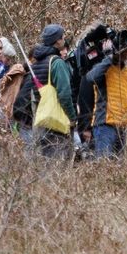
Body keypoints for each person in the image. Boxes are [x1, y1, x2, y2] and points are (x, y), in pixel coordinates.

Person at [26, 24, 76, 158]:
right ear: (57, 41)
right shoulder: (57, 63)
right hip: (57, 121)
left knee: (46, 166)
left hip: (42, 120)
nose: (64, 39)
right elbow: (65, 95)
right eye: (62, 36)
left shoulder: (36, 63)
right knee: (60, 165)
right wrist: (72, 117)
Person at [84, 29, 127, 157]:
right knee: (103, 165)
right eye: (122, 51)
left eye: (126, 51)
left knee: (118, 170)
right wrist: (108, 58)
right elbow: (90, 78)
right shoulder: (105, 67)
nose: (125, 53)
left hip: (122, 127)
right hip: (104, 126)